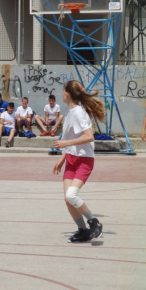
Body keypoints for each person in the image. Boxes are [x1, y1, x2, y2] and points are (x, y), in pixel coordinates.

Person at [52, 80, 105, 243]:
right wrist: (62, 158)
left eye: (62, 92)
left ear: (67, 94)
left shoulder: (79, 113)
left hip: (84, 160)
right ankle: (82, 230)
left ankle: (94, 223)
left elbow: (89, 136)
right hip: (71, 159)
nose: (62, 94)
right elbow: (70, 138)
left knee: (71, 195)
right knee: (67, 199)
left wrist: (65, 144)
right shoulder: (70, 113)